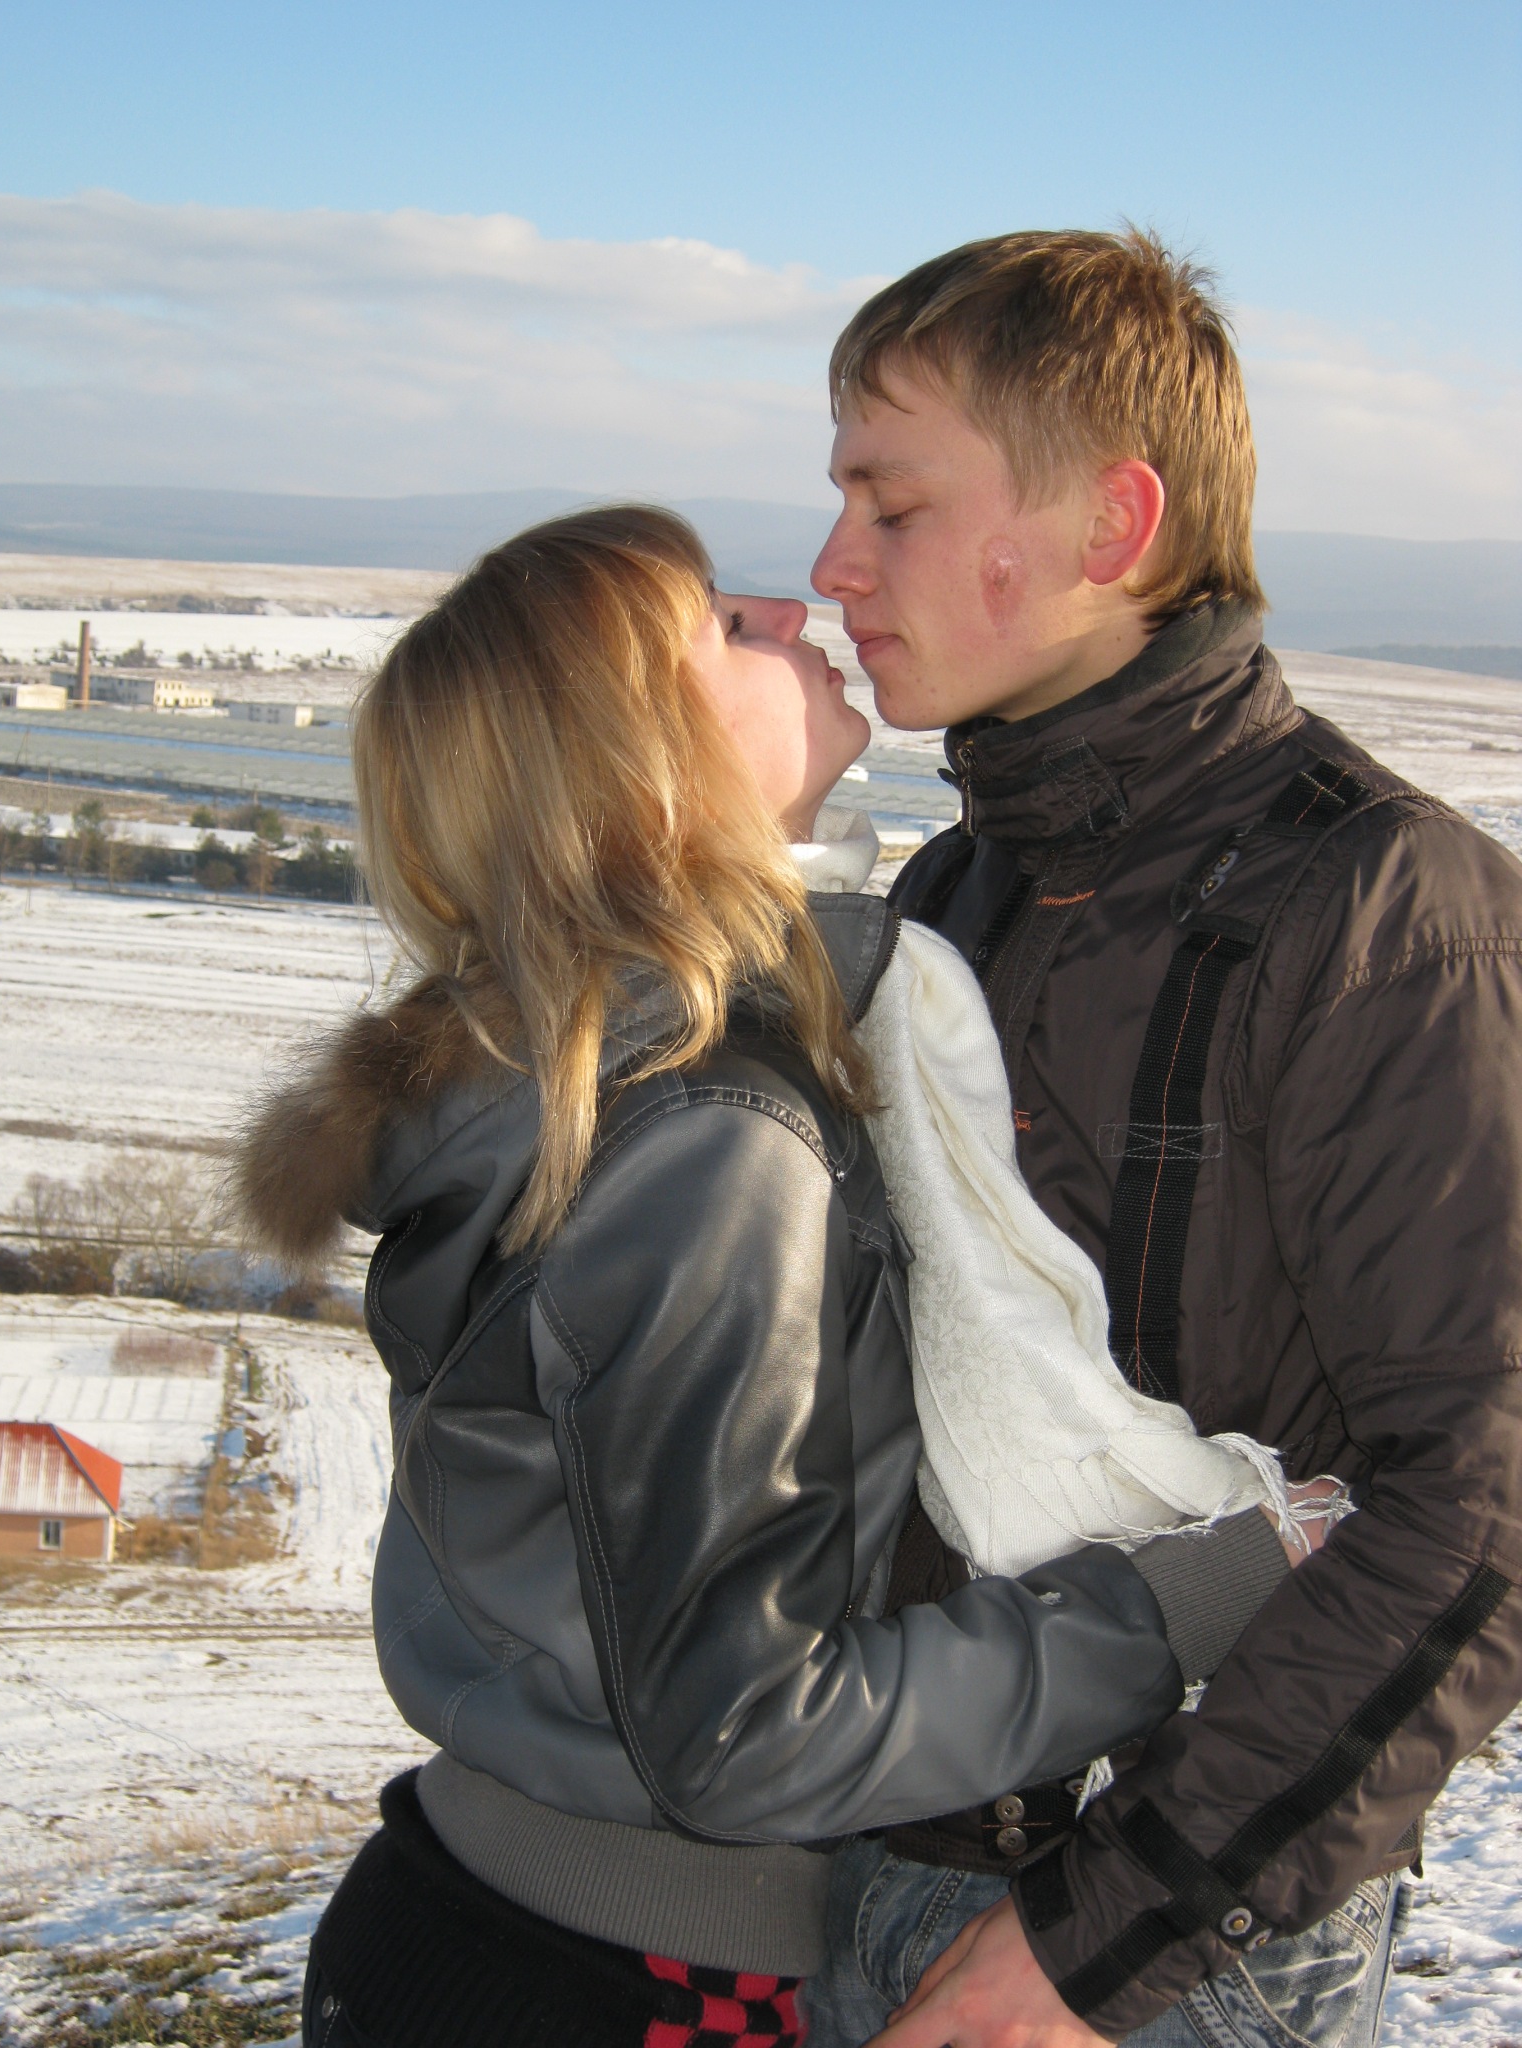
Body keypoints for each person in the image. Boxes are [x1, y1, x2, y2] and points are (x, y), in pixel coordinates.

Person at [234, 506, 1301, 2048]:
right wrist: (1201, 1589)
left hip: (483, 1919)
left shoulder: (559, 1076)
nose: (793, 606)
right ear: (639, 762)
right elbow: (749, 1729)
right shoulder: (704, 1135)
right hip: (635, 1983)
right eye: (725, 627)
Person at [806, 229, 1522, 2048]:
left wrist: (1099, 1942)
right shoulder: (959, 890)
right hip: (880, 1868)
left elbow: (1488, 1501)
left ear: (1113, 528)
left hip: (1163, 1949)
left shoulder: (1382, 912)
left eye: (893, 505)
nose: (834, 566)